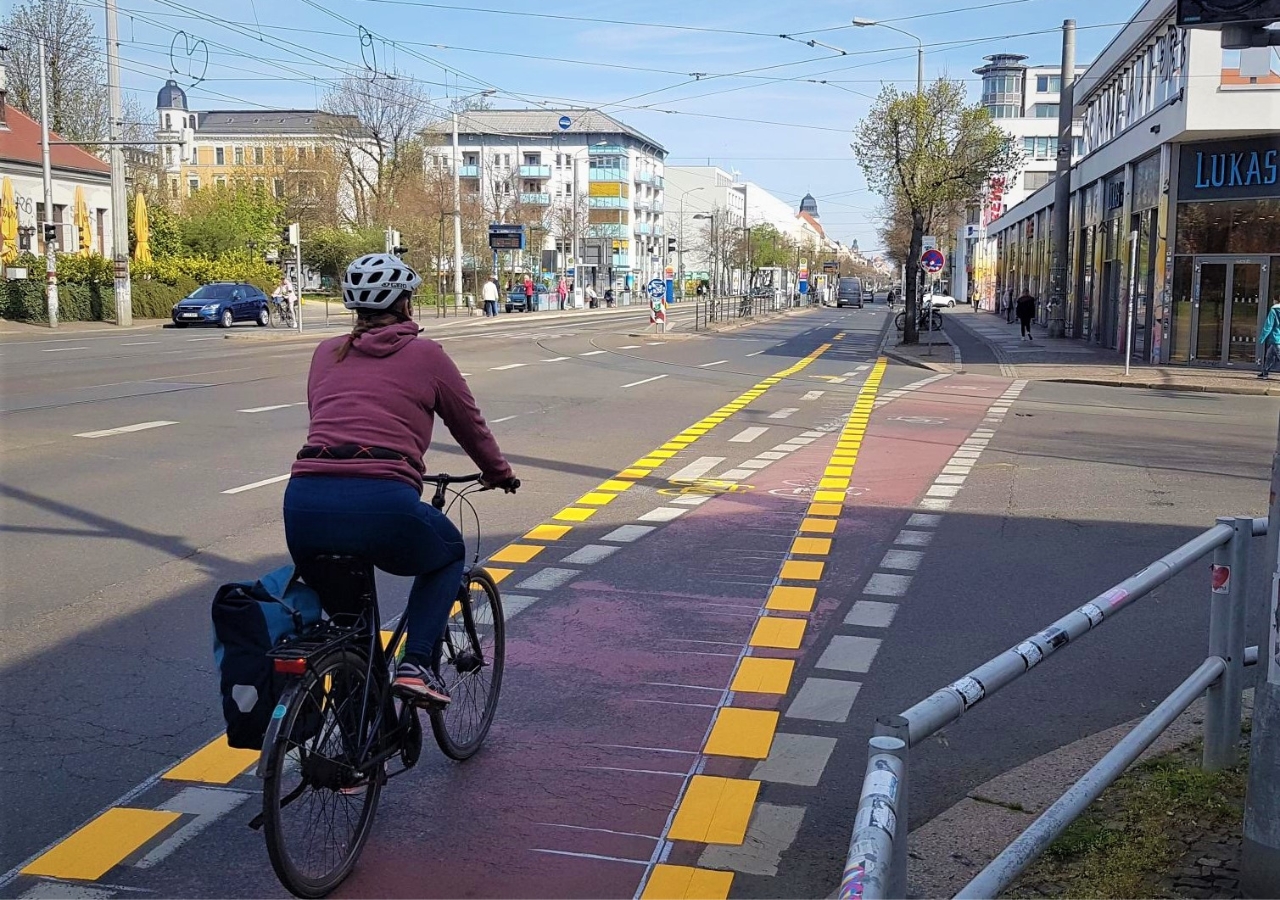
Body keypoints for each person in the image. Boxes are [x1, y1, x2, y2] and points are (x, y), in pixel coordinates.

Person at [284, 253, 518, 708]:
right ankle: (417, 666)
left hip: (305, 503)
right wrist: (498, 473)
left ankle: (351, 768)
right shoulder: (426, 355)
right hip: (381, 502)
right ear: (407, 304)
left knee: (353, 632)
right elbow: (468, 424)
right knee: (447, 554)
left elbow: (326, 419)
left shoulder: (325, 352)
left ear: (354, 308)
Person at [1259, 295, 1280, 378]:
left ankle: (1265, 373)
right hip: (1276, 339)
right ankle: (1265, 373)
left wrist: (1262, 337)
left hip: (1276, 338)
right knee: (1269, 356)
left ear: (1275, 300)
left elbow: (1269, 325)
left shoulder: (1274, 310)